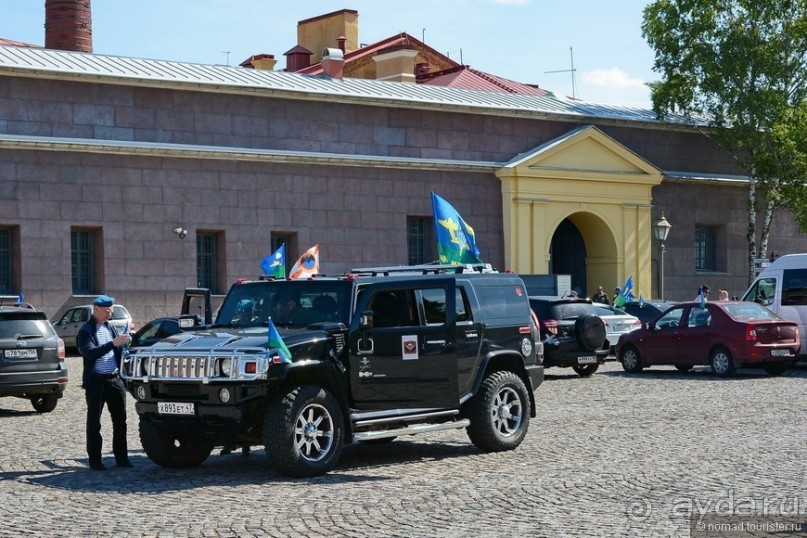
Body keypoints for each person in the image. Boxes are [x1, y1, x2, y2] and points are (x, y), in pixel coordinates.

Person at [77, 295, 133, 471]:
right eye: (107, 311)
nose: (110, 313)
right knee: (94, 422)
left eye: (111, 310)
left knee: (120, 420)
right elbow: (90, 353)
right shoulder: (86, 331)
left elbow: (117, 349)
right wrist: (113, 343)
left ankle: (122, 459)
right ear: (97, 310)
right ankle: (95, 460)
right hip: (97, 382)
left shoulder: (110, 327)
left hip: (114, 379)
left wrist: (124, 344)